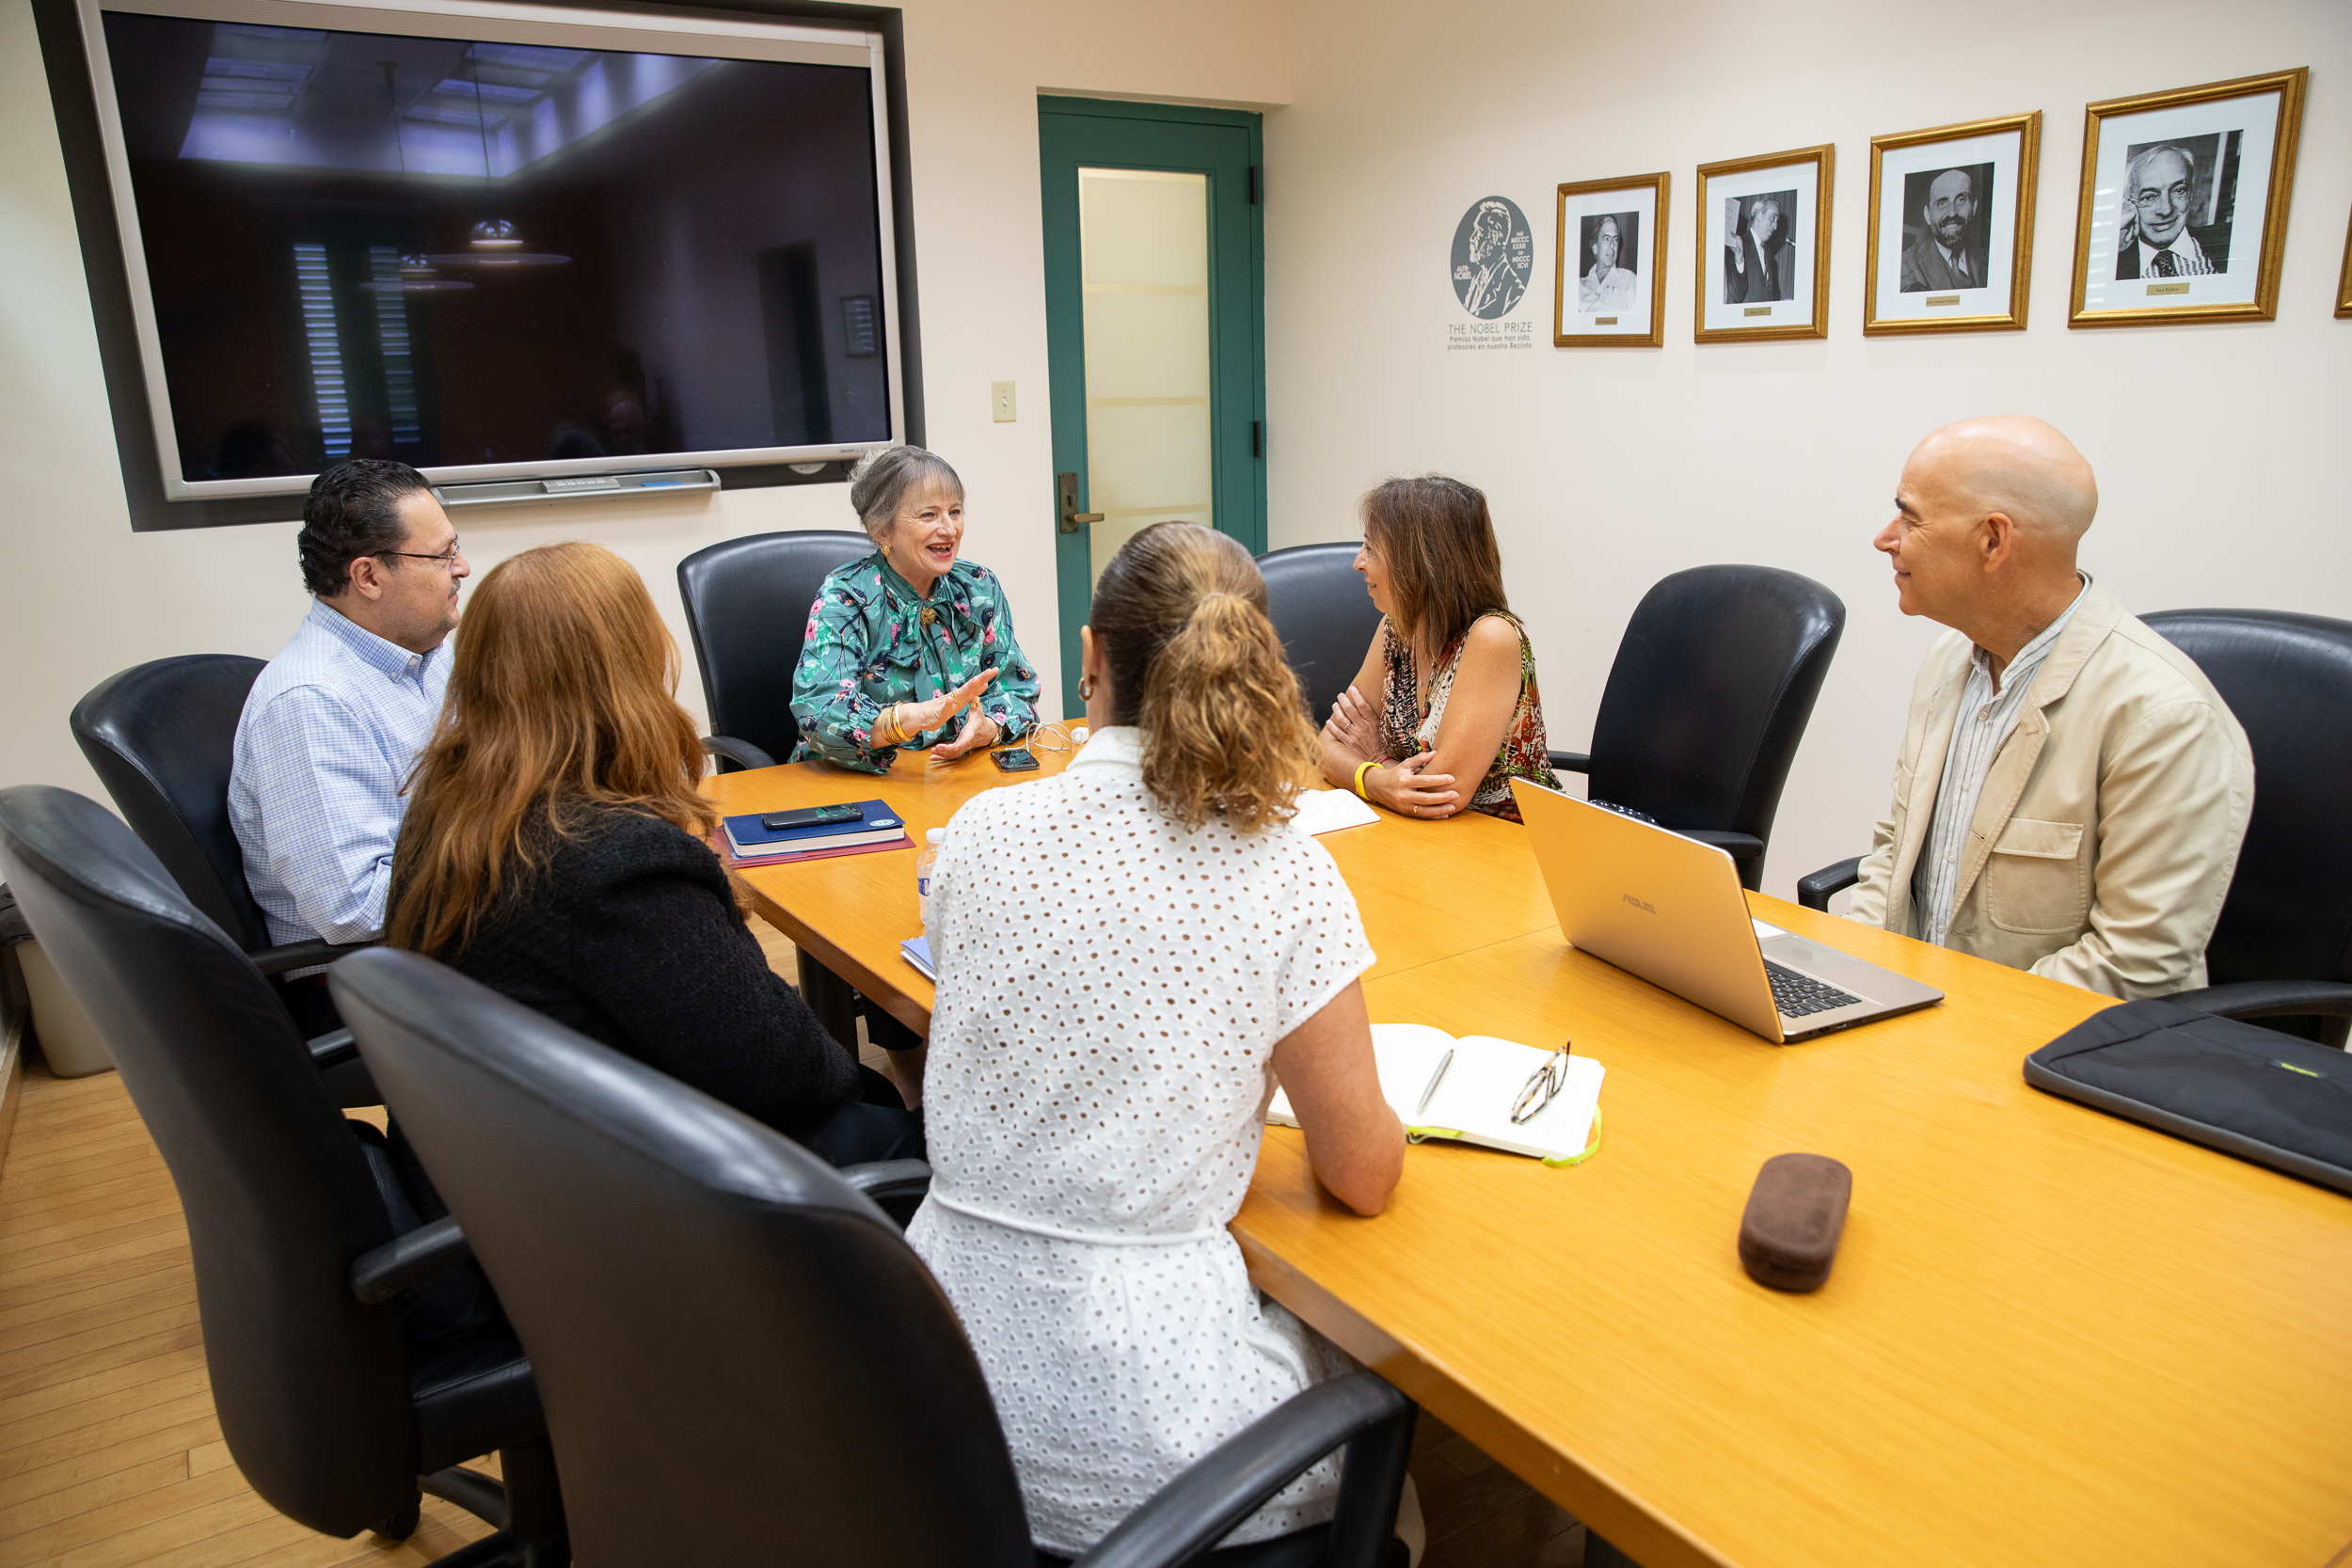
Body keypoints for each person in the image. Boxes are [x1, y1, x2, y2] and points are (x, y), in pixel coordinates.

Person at [907, 521, 1405, 1562]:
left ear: (1091, 655)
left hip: (927, 1384)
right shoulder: (1283, 869)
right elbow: (1362, 1173)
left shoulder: (985, 831)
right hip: (1145, 1431)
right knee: (1398, 1443)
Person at [385, 542, 920, 1167]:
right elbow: (786, 1070)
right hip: (655, 1195)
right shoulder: (613, 861)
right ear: (624, 671)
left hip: (501, 1167)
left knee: (880, 1096)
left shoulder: (449, 807)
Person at [1848, 416, 2253, 999]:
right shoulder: (1950, 658)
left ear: (1993, 540)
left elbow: (2132, 967)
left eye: (1909, 518)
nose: (1886, 539)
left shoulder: (2161, 716)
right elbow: (1895, 853)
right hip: (1922, 1021)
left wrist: (1945, 1023)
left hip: (2053, 1053)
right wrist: (1844, 973)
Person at [230, 460, 468, 1026]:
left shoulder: (426, 656)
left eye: (456, 547)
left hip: (440, 936)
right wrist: (515, 863)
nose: (461, 567)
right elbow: (353, 909)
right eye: (440, 556)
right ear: (368, 576)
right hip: (371, 980)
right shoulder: (311, 701)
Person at [1317, 475, 1560, 823]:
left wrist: (1375, 757)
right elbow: (1325, 748)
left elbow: (1436, 794)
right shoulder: (1396, 628)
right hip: (1419, 836)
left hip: (1509, 843)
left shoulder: (1492, 637)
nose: (1358, 562)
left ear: (1419, 560)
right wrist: (1379, 779)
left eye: (1371, 548)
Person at [789, 445, 1041, 773]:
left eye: (955, 511)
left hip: (955, 777)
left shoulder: (979, 586)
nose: (949, 529)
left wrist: (987, 728)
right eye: (928, 515)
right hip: (855, 783)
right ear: (882, 530)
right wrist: (914, 718)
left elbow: (1019, 688)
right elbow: (819, 712)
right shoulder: (846, 597)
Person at [2114, 144, 2229, 279]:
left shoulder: (2229, 240)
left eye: (2178, 190)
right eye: (2149, 197)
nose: (2166, 209)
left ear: (2190, 193)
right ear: (2128, 203)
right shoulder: (2113, 266)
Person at [1899, 167, 1987, 292]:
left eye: (1961, 200)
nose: (1952, 213)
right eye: (1942, 203)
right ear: (1928, 215)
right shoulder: (1907, 265)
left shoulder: (1989, 257)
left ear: (1974, 206)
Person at [1723, 194, 1796, 304]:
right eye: (1772, 218)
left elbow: (1765, 298)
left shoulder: (1767, 252)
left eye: (1777, 220)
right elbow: (1736, 295)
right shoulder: (1737, 245)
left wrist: (1781, 304)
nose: (1775, 226)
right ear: (1759, 216)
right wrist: (1740, 260)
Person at [1577, 214, 1637, 313]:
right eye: (1607, 238)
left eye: (1615, 239)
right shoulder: (1579, 286)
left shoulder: (1629, 279)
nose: (1612, 245)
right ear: (1595, 247)